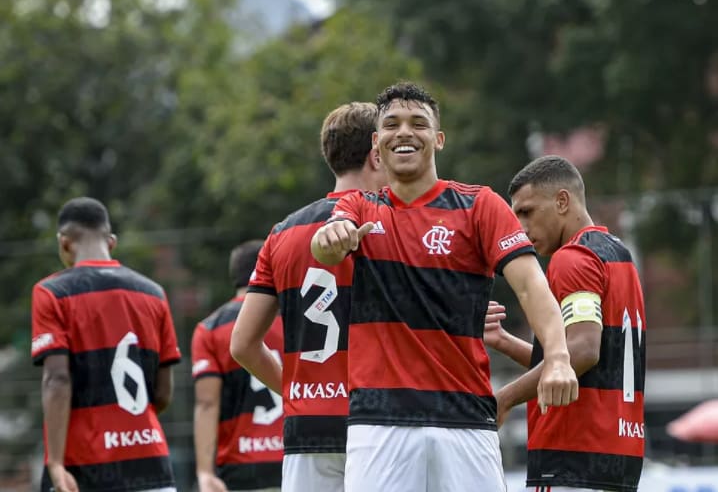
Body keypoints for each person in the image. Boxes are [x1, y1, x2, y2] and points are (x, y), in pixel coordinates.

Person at [309, 82, 579, 492]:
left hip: (465, 418)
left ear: (438, 139)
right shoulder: (359, 207)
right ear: (376, 143)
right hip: (380, 424)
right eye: (392, 124)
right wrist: (331, 238)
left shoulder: (480, 206)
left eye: (419, 123)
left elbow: (531, 286)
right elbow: (326, 247)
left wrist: (558, 357)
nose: (405, 132)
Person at [230, 102, 387, 492]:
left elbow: (244, 345)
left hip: (307, 429)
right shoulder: (388, 222)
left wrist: (298, 392)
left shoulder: (282, 233)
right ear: (375, 153)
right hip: (380, 421)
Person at [485, 155, 646, 491]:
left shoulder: (571, 259)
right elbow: (583, 356)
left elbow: (583, 352)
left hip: (571, 455)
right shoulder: (618, 254)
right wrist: (505, 341)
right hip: (619, 457)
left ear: (562, 201)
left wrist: (504, 398)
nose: (522, 228)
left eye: (527, 212)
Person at [31, 197, 181, 492]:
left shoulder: (52, 293)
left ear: (64, 243)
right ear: (111, 242)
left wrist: (56, 463)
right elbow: (163, 393)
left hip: (84, 468)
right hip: (151, 466)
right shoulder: (154, 294)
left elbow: (57, 379)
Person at [191, 240, 283, 492]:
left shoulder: (210, 328)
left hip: (241, 468)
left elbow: (207, 403)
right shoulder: (297, 316)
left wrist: (205, 472)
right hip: (296, 456)